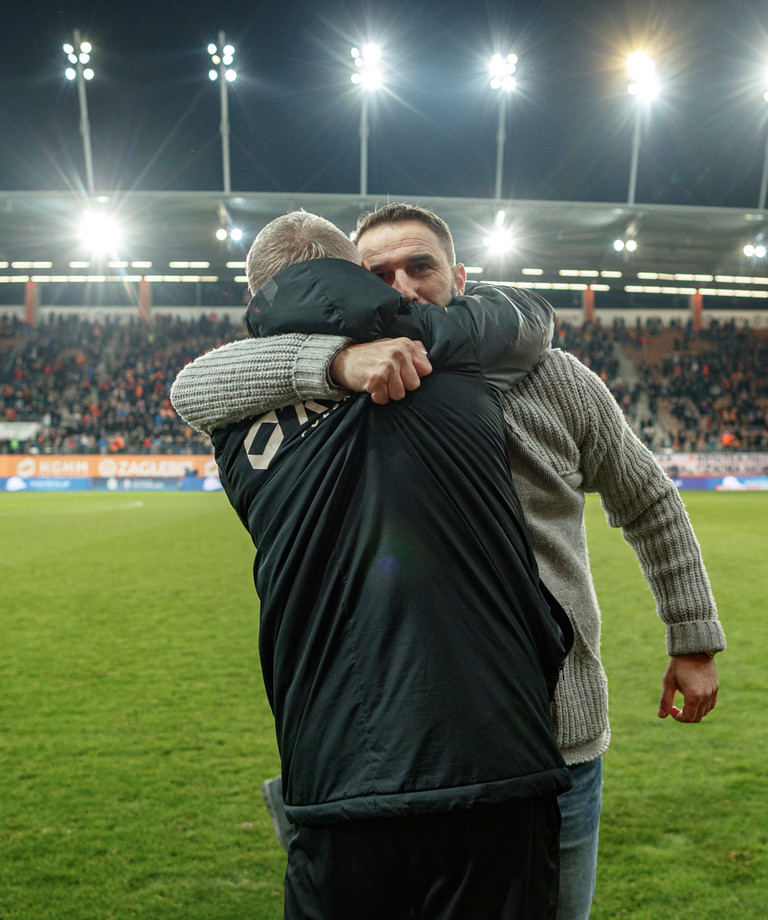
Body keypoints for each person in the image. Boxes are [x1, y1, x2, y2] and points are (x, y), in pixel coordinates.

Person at [171, 203, 726, 920]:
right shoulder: (350, 387)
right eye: (377, 275)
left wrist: (693, 638)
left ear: (460, 277)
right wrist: (336, 362)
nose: (400, 286)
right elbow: (197, 385)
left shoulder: (551, 378)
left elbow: (648, 499)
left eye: (420, 266)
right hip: (388, 737)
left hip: (557, 732)